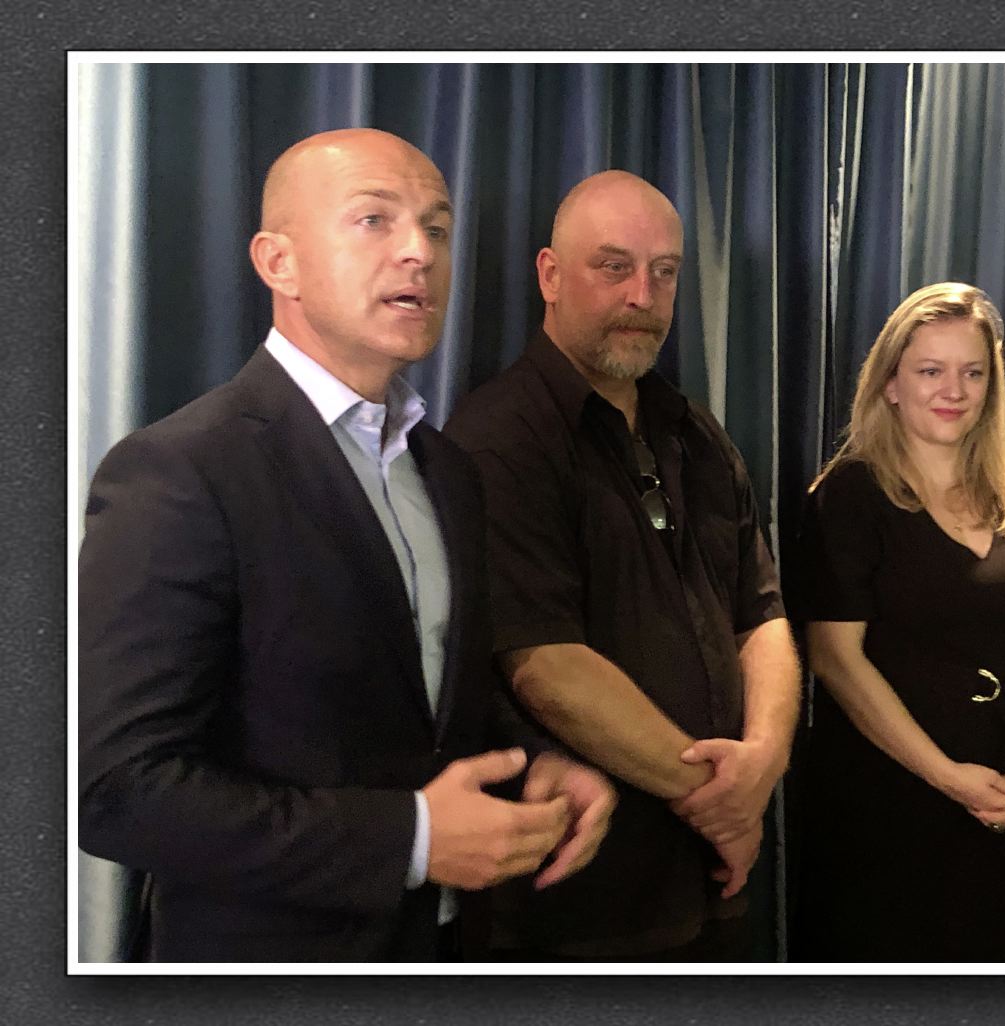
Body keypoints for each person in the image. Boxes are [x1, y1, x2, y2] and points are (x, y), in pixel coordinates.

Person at [78, 128, 615, 963]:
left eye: (437, 228)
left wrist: (536, 762)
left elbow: (429, 698)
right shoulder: (181, 471)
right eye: (374, 219)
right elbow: (116, 790)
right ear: (279, 262)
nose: (419, 252)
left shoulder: (448, 471)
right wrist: (410, 839)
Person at [443, 169, 801, 961]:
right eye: (614, 267)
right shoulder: (499, 439)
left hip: (715, 880)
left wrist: (764, 765)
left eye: (664, 272)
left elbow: (763, 615)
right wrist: (719, 800)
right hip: (583, 896)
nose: (643, 295)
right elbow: (544, 665)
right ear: (549, 275)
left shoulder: (697, 434)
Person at [791, 282, 1005, 961]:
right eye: (930, 371)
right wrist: (948, 776)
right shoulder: (850, 494)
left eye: (972, 373)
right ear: (890, 384)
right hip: (888, 799)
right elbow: (835, 658)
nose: (954, 390)